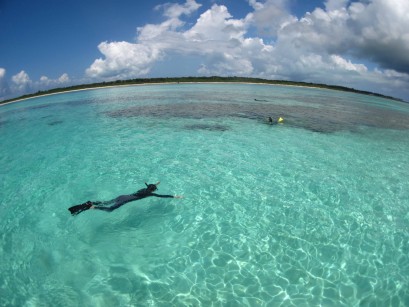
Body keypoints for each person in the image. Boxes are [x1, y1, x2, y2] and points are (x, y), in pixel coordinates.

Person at [68, 182, 183, 215]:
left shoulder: (143, 190)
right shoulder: (150, 194)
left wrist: (155, 184)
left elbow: (149, 186)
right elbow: (162, 196)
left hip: (122, 196)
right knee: (110, 209)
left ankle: (91, 202)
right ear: (153, 191)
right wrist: (174, 196)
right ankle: (93, 207)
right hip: (125, 200)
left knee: (107, 202)